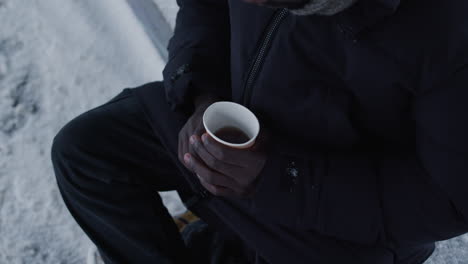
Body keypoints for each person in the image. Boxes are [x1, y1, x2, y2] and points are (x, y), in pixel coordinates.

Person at [50, 0, 468, 263]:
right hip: (228, 124)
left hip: (337, 226)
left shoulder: (449, 26)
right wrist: (200, 92)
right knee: (85, 153)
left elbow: (449, 201)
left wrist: (279, 178)